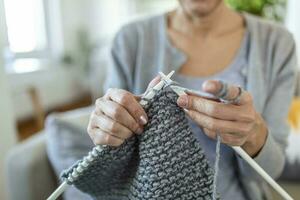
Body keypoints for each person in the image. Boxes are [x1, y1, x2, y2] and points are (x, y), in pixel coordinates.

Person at [49, 0, 297, 199]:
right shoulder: (130, 39)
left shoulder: (276, 44)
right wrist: (106, 127)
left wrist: (253, 135)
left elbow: (271, 171)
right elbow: (114, 154)